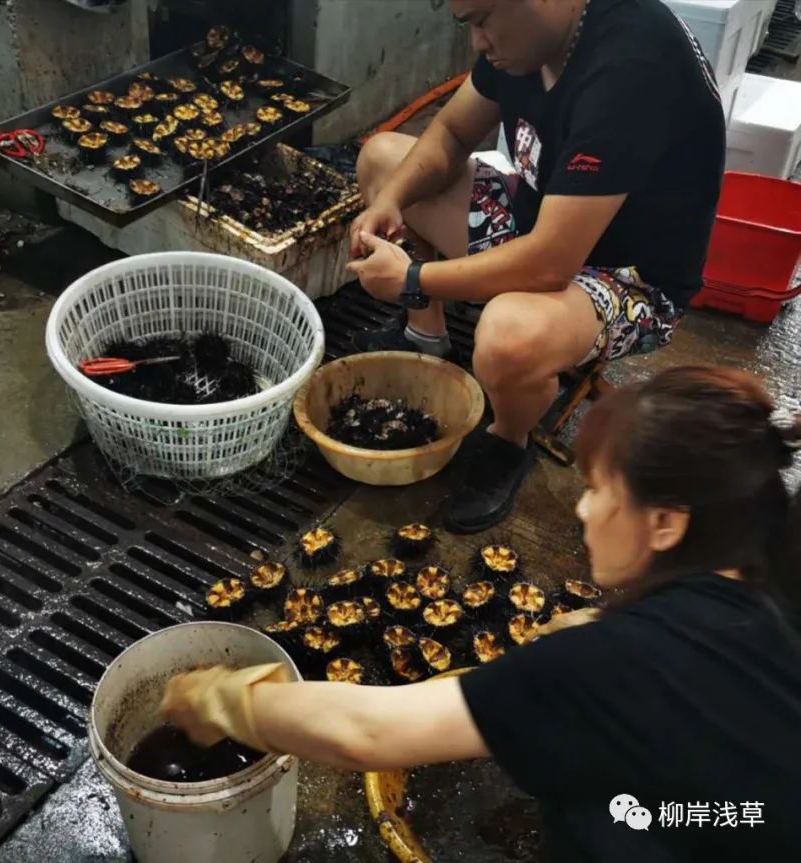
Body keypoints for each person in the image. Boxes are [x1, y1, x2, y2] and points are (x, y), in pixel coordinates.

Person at [161, 366, 801, 862]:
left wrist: (224, 701)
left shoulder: (601, 667)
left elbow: (369, 732)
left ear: (665, 523)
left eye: (599, 491)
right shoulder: (778, 598)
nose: (581, 513)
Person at [345, 0, 726, 534]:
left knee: (508, 335)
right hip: (546, 222)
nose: (478, 42)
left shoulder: (630, 66)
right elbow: (453, 133)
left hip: (628, 281)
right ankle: (425, 336)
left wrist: (411, 277)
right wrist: (392, 200)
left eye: (480, 20)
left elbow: (550, 263)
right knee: (385, 163)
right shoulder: (527, 42)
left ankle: (508, 438)